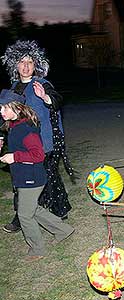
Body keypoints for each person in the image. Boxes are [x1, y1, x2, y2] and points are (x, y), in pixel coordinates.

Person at [1, 40, 74, 233]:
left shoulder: (43, 84)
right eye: (21, 62)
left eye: (30, 62)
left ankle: (59, 211)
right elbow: (6, 114)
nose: (25, 66)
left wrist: (45, 97)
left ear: (36, 65)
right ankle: (21, 215)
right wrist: (1, 136)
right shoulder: (14, 87)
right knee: (21, 179)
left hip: (44, 141)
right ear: (15, 65)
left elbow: (57, 101)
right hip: (21, 143)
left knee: (49, 177)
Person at [0, 98, 74, 262]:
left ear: (17, 108)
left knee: (24, 215)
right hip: (24, 176)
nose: (1, 112)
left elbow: (38, 155)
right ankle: (63, 230)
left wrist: (15, 156)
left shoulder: (26, 130)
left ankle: (37, 249)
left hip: (32, 178)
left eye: (4, 108)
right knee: (33, 209)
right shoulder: (13, 125)